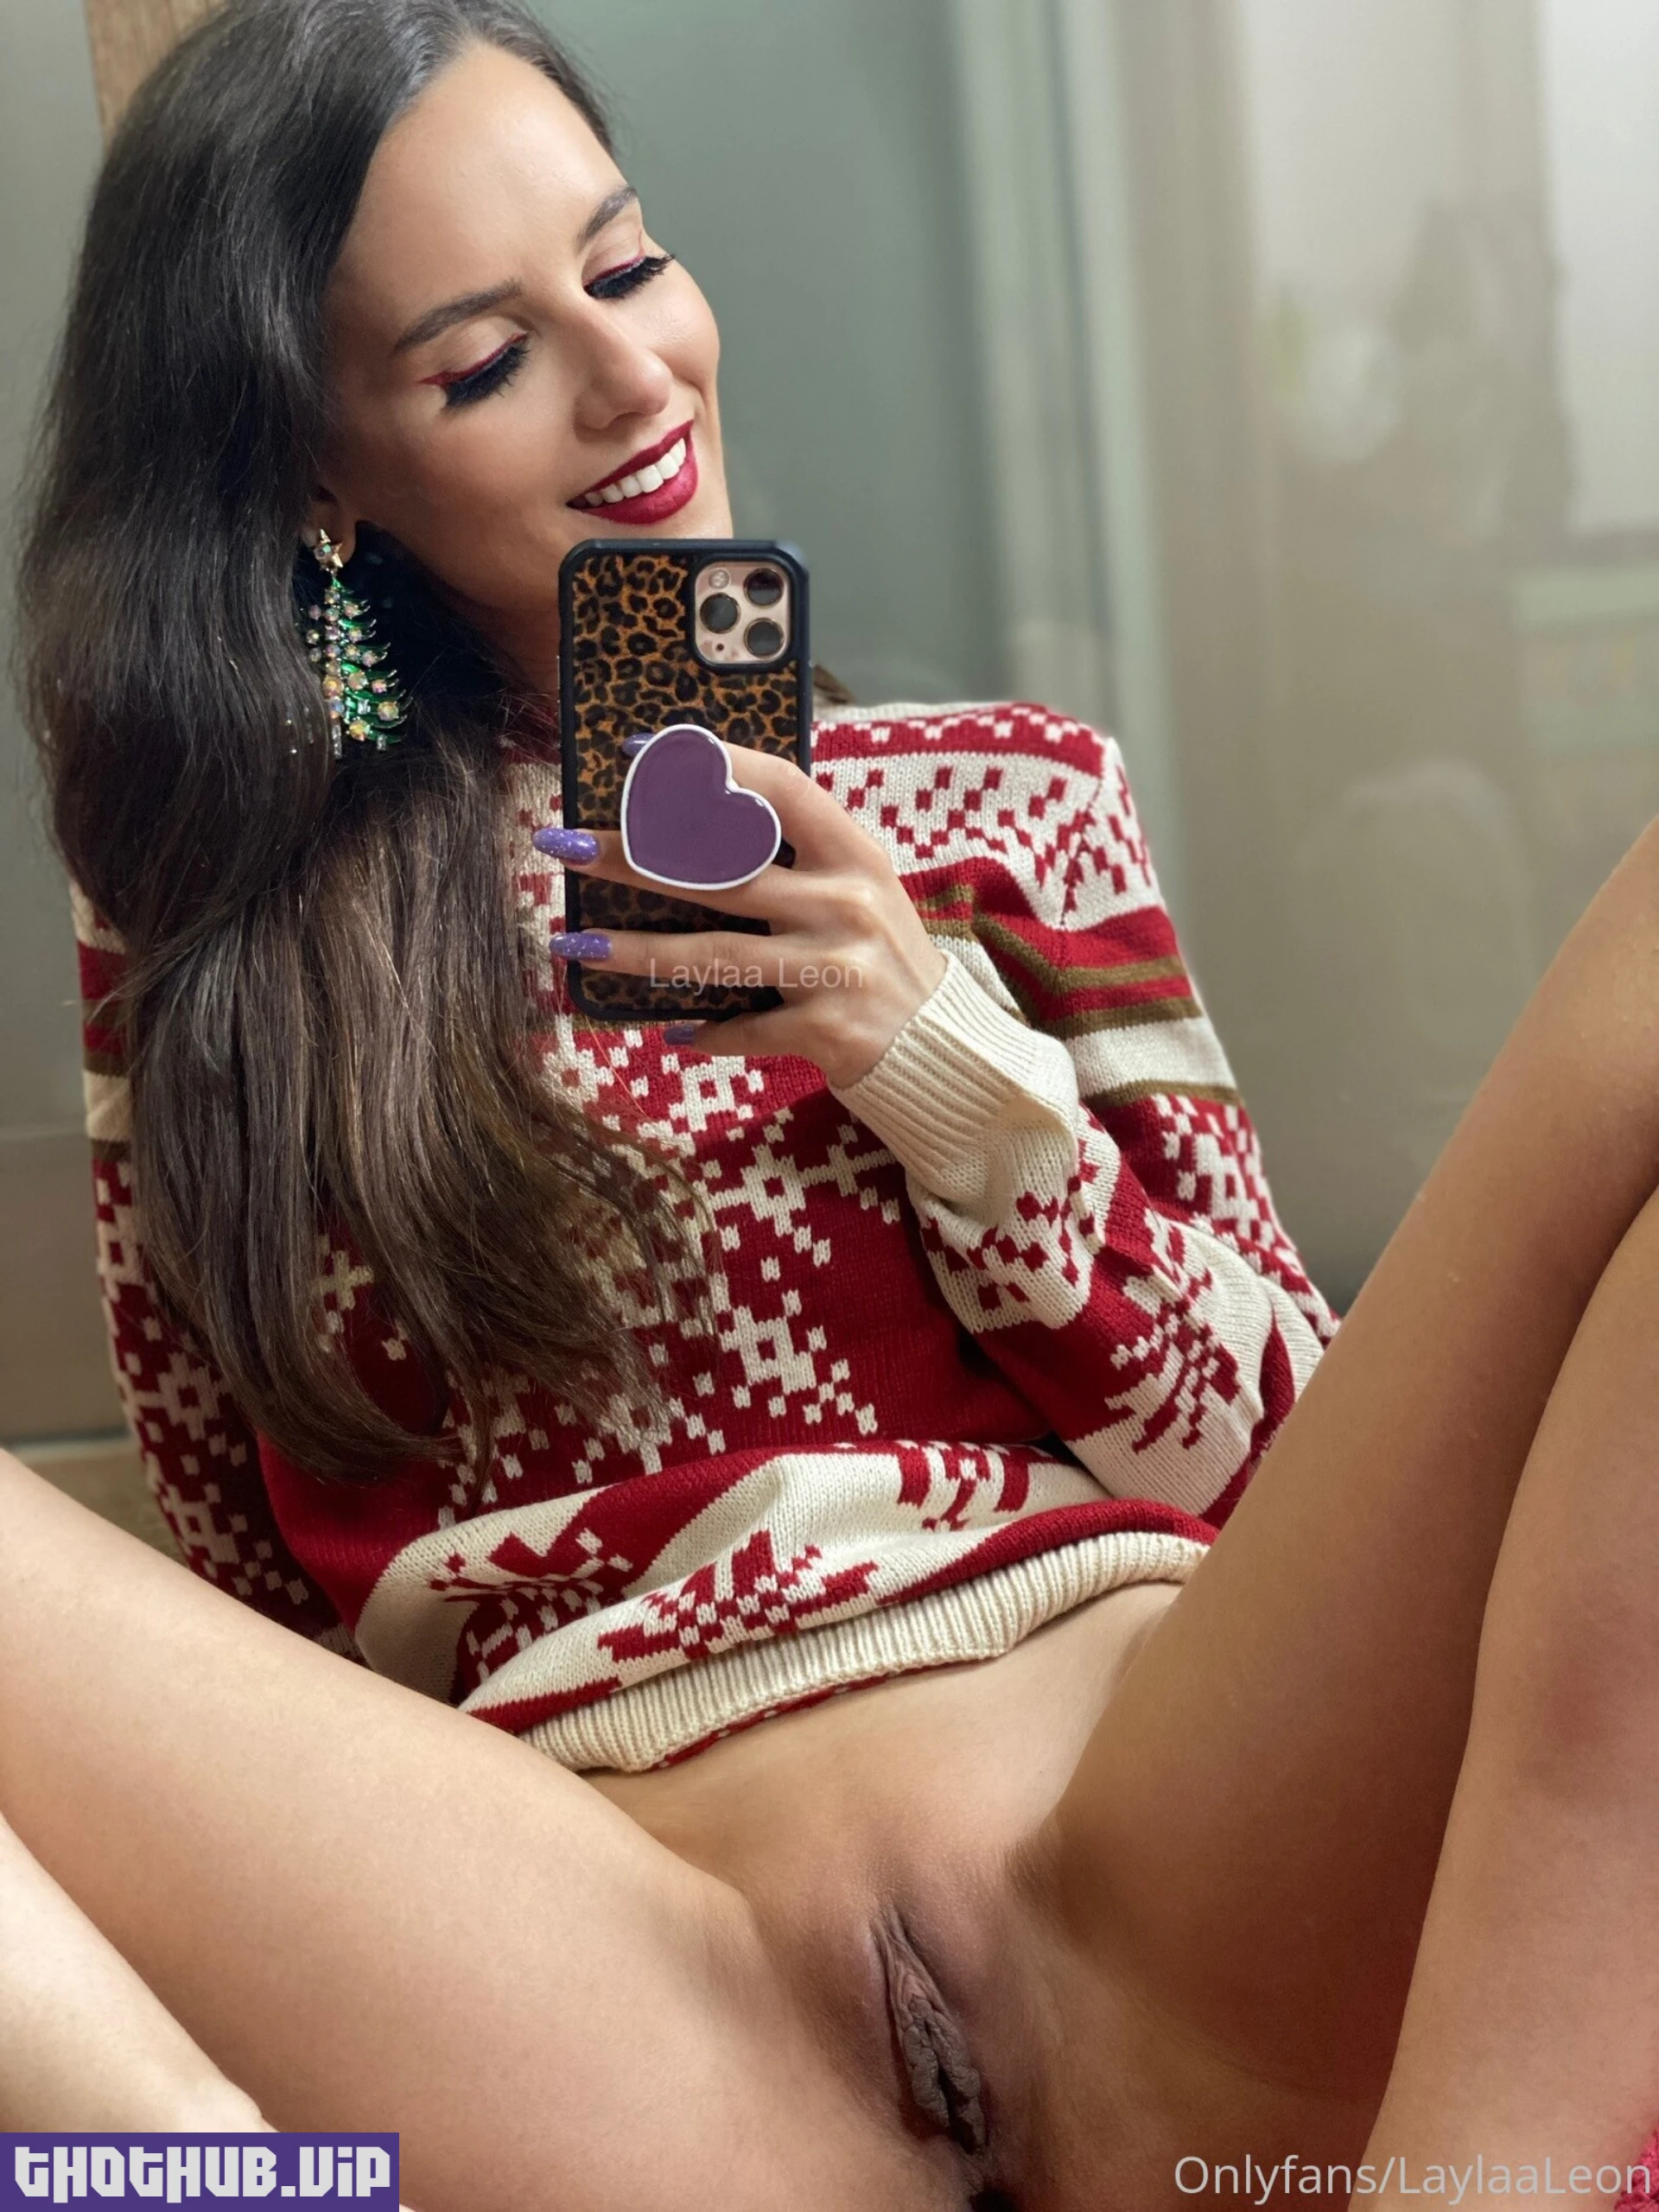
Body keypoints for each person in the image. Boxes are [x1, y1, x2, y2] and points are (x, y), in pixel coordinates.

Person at [10, 2, 1659, 2205]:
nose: (633, 380)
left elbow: (1292, 1456)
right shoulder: (228, 957)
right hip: (630, 2011)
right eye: (485, 362)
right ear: (325, 481)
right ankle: (224, 2181)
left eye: (627, 265)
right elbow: (248, 1622)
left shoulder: (1012, 806)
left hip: (1180, 1870)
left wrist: (941, 1065)